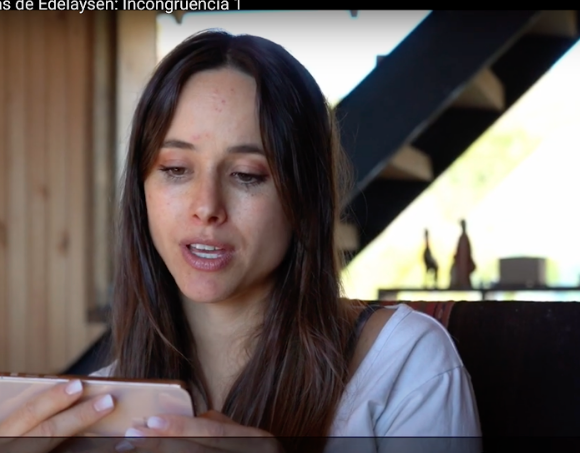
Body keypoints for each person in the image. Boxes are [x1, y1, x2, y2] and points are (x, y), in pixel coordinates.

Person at [0, 30, 481, 452]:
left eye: (247, 175)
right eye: (175, 169)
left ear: (304, 197)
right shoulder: (97, 408)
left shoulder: (406, 365)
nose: (206, 206)